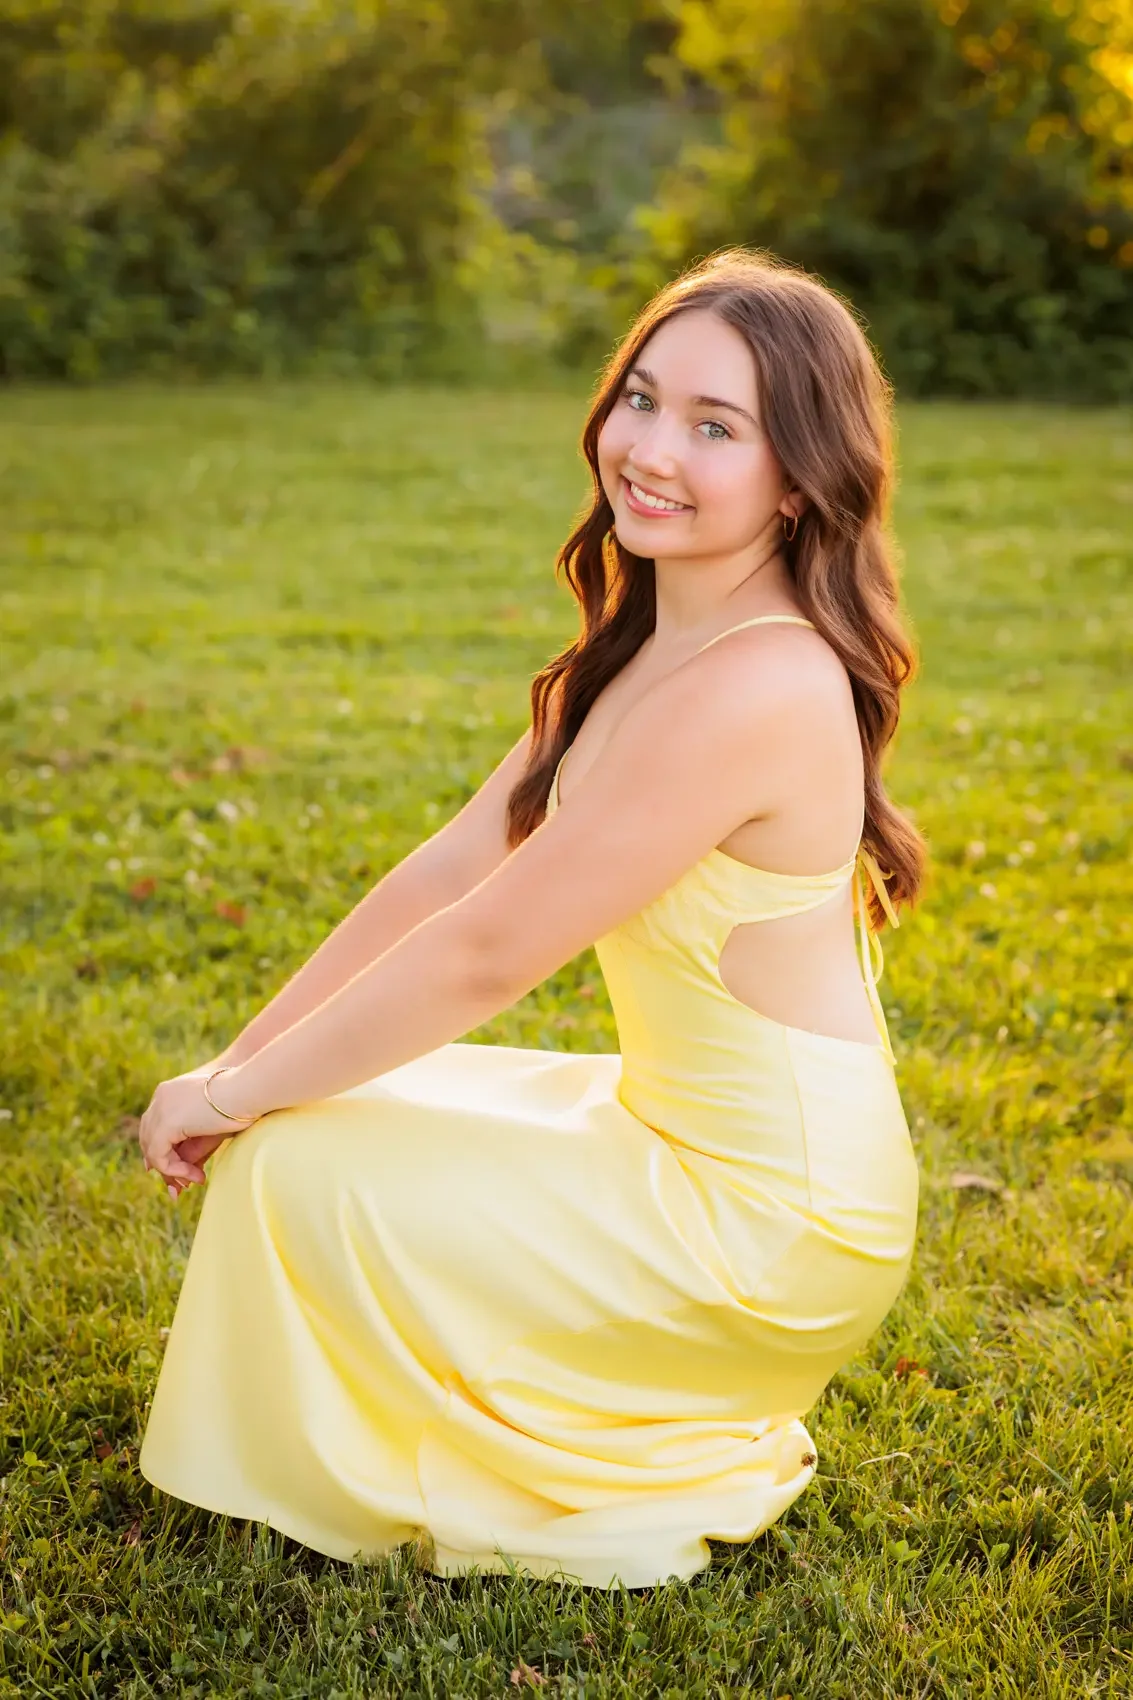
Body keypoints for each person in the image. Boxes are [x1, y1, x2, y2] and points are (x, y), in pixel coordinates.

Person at [137, 247, 926, 1590]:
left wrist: (247, 1098)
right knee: (309, 1123)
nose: (651, 448)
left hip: (769, 1218)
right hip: (666, 1131)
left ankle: (503, 1450)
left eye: (715, 426)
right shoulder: (645, 639)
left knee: (297, 1163)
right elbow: (446, 877)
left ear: (800, 480)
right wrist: (236, 1067)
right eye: (641, 397)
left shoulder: (760, 684)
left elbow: (489, 950)